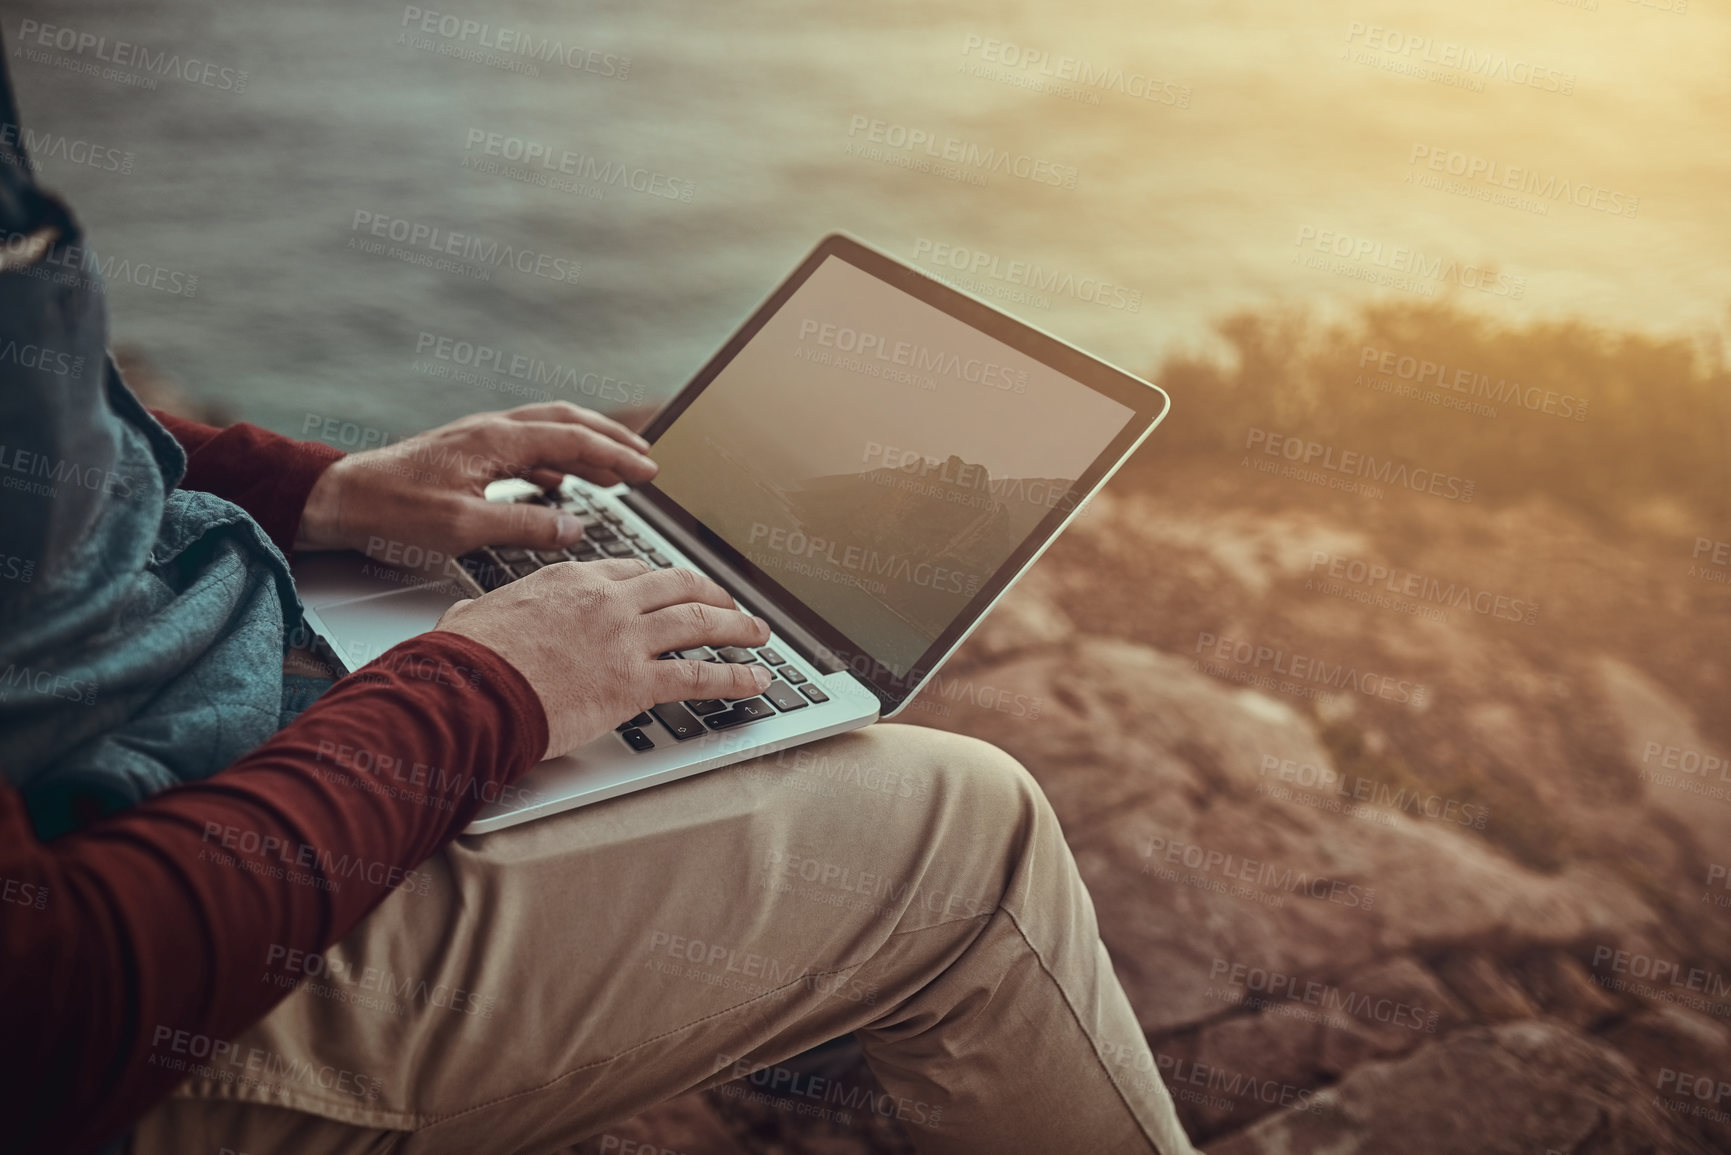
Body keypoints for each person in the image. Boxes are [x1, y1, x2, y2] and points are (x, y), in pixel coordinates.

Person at [0, 37, 1196, 1155]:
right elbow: (50, 1016)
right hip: (162, 1005)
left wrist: (316, 490)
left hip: (194, 716)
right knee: (966, 831)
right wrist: (484, 691)